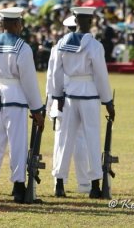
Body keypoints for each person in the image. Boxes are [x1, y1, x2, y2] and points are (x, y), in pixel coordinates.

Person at [0, 7, 44, 203]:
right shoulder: (22, 48)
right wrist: (37, 109)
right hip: (15, 97)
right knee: (18, 143)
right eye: (20, 23)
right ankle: (18, 187)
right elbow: (29, 82)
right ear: (15, 24)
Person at [51, 7, 115, 199]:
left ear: (75, 19)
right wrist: (108, 101)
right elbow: (101, 76)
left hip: (69, 95)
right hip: (88, 94)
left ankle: (59, 183)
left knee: (65, 140)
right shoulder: (94, 46)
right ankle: (95, 185)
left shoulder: (62, 43)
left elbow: (56, 73)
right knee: (92, 139)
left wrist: (57, 97)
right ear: (91, 20)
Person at [46, 15, 92, 196]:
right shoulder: (90, 45)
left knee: (60, 143)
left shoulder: (58, 47)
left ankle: (59, 182)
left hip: (61, 99)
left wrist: (50, 104)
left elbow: (51, 78)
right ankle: (84, 184)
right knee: (80, 142)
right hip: (82, 97)